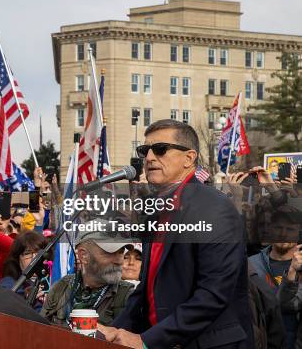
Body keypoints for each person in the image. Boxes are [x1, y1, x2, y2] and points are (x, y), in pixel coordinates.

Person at [104, 119, 253, 348]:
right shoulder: (156, 211)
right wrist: (117, 331)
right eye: (145, 150)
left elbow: (213, 295)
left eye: (161, 149)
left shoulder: (215, 208)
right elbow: (147, 289)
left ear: (189, 158)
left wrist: (146, 340)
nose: (150, 157)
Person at [41, 219, 134, 326]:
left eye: (121, 252)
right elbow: (40, 333)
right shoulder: (60, 288)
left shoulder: (129, 297)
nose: (120, 260)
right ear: (83, 256)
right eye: (110, 252)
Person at [249, 205, 301, 349]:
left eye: (290, 229)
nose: (283, 234)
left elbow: (291, 306)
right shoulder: (251, 264)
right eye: (278, 228)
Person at [0, 230, 48, 309]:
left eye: (39, 253)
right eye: (27, 253)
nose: (35, 258)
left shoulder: (54, 279)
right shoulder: (9, 284)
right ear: (17, 258)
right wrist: (26, 299)